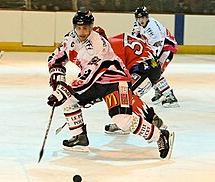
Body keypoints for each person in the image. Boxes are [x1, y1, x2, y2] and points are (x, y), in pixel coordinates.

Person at [47, 9, 174, 159]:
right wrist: (58, 78)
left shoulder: (99, 45)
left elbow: (89, 75)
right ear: (74, 27)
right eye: (79, 28)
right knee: (69, 100)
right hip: (96, 82)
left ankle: (160, 136)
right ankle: (79, 137)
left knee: (122, 120)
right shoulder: (69, 40)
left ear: (92, 27)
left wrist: (63, 91)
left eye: (86, 28)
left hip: (116, 81)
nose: (82, 32)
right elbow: (56, 59)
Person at [132, 6, 179, 108]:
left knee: (155, 71)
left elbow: (157, 47)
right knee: (152, 70)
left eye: (143, 18)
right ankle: (159, 91)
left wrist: (149, 59)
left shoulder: (153, 29)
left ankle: (170, 96)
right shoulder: (137, 24)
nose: (141, 20)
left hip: (166, 49)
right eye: (139, 18)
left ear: (147, 17)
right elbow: (135, 38)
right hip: (156, 49)